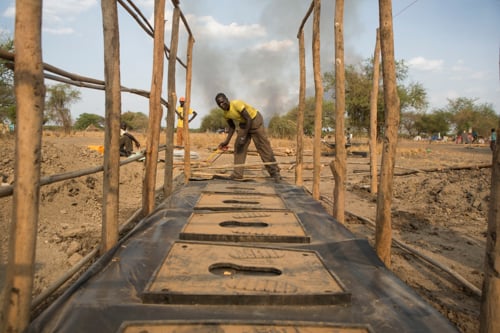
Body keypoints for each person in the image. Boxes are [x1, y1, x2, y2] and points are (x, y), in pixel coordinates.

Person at [215, 92, 281, 182]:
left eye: (223, 102)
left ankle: (275, 173)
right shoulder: (226, 114)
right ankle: (237, 174)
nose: (222, 105)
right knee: (239, 146)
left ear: (227, 99)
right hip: (244, 124)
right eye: (219, 104)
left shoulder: (237, 104)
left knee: (263, 147)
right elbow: (232, 127)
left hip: (254, 120)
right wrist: (226, 141)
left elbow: (249, 118)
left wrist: (244, 136)